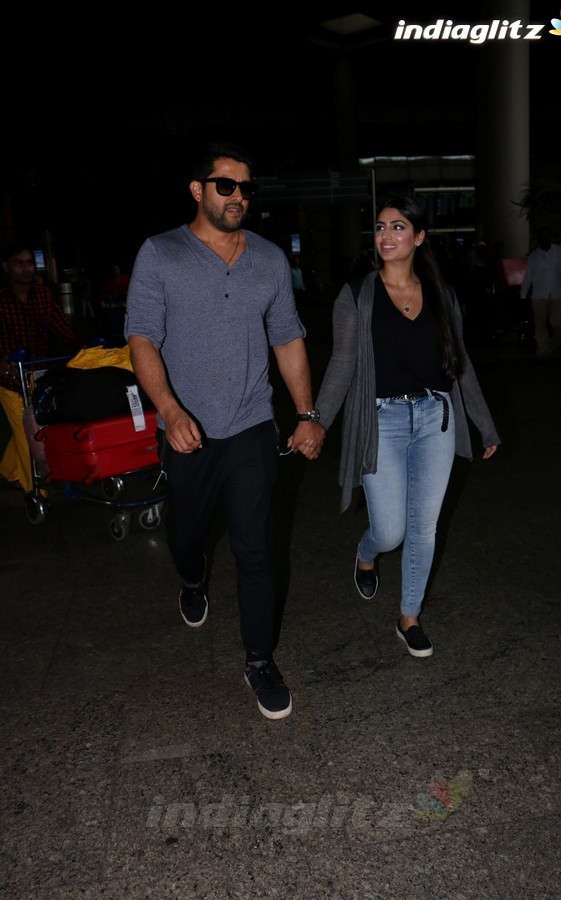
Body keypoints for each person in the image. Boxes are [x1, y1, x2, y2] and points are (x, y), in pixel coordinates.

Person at [124, 140, 323, 721]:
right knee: (187, 532)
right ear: (198, 190)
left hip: (252, 425)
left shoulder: (267, 259)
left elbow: (287, 337)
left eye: (246, 187)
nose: (239, 197)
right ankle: (191, 574)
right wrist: (170, 410)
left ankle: (258, 660)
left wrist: (306, 414)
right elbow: (142, 338)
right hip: (188, 429)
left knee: (256, 548)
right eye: (226, 185)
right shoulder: (160, 254)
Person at [313, 196, 500, 658]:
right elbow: (341, 365)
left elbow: (461, 364)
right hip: (383, 421)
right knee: (391, 529)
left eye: (398, 228)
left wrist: (485, 425)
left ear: (418, 237)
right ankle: (366, 551)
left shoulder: (442, 293)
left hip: (436, 417)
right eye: (380, 228)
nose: (386, 236)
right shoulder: (356, 295)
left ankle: (409, 616)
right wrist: (314, 421)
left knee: (424, 527)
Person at [0, 242, 80, 491]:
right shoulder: (1, 300)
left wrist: (86, 350)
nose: (25, 269)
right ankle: (36, 491)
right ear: (6, 267)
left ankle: (6, 471)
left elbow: (62, 329)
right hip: (8, 380)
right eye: (18, 263)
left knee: (30, 425)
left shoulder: (43, 296)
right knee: (29, 434)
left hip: (37, 375)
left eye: (29, 263)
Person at [520, 226, 561, 358]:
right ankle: (542, 351)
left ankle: (551, 345)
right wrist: (523, 295)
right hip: (538, 295)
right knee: (540, 324)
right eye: (543, 236)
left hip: (558, 293)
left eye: (548, 235)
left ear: (551, 237)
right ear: (538, 238)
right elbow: (528, 276)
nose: (545, 238)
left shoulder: (560, 251)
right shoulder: (534, 256)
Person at [99, 263, 130, 344]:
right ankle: (114, 336)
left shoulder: (125, 278)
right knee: (113, 319)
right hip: (114, 303)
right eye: (114, 269)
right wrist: (103, 302)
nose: (116, 271)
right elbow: (104, 291)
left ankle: (123, 334)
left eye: (117, 269)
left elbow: (130, 290)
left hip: (125, 302)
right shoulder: (110, 281)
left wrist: (127, 301)